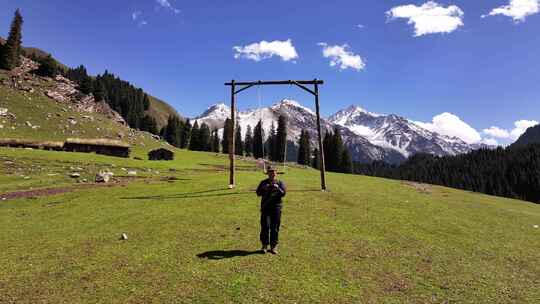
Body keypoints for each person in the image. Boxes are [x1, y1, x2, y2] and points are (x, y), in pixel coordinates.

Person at [256, 166, 286, 254]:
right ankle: (264, 245)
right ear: (267, 173)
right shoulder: (263, 182)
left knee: (275, 227)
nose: (272, 173)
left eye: (273, 172)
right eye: (270, 172)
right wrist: (264, 188)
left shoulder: (280, 183)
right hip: (265, 208)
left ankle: (274, 246)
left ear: (276, 173)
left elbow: (283, 193)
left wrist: (278, 188)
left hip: (276, 208)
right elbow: (258, 193)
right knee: (265, 226)